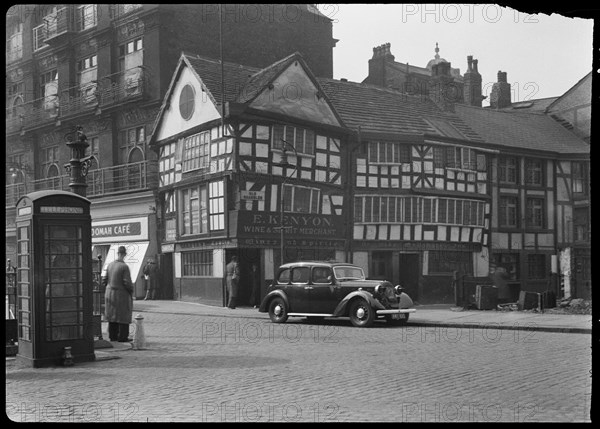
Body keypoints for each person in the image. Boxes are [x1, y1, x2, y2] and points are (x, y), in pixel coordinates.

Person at [102, 246, 133, 342]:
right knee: (123, 315)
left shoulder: (110, 265)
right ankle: (123, 337)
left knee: (112, 316)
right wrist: (131, 291)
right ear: (124, 254)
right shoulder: (124, 267)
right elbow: (127, 282)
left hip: (109, 293)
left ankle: (113, 336)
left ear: (117, 253)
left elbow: (104, 280)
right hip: (121, 294)